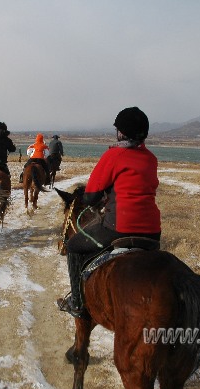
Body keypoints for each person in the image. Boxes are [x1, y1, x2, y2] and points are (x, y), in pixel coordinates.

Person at [57, 107, 161, 317]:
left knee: (75, 246)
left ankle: (77, 303)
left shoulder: (114, 154)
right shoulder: (151, 158)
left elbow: (90, 197)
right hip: (152, 231)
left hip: (119, 226)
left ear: (121, 133)